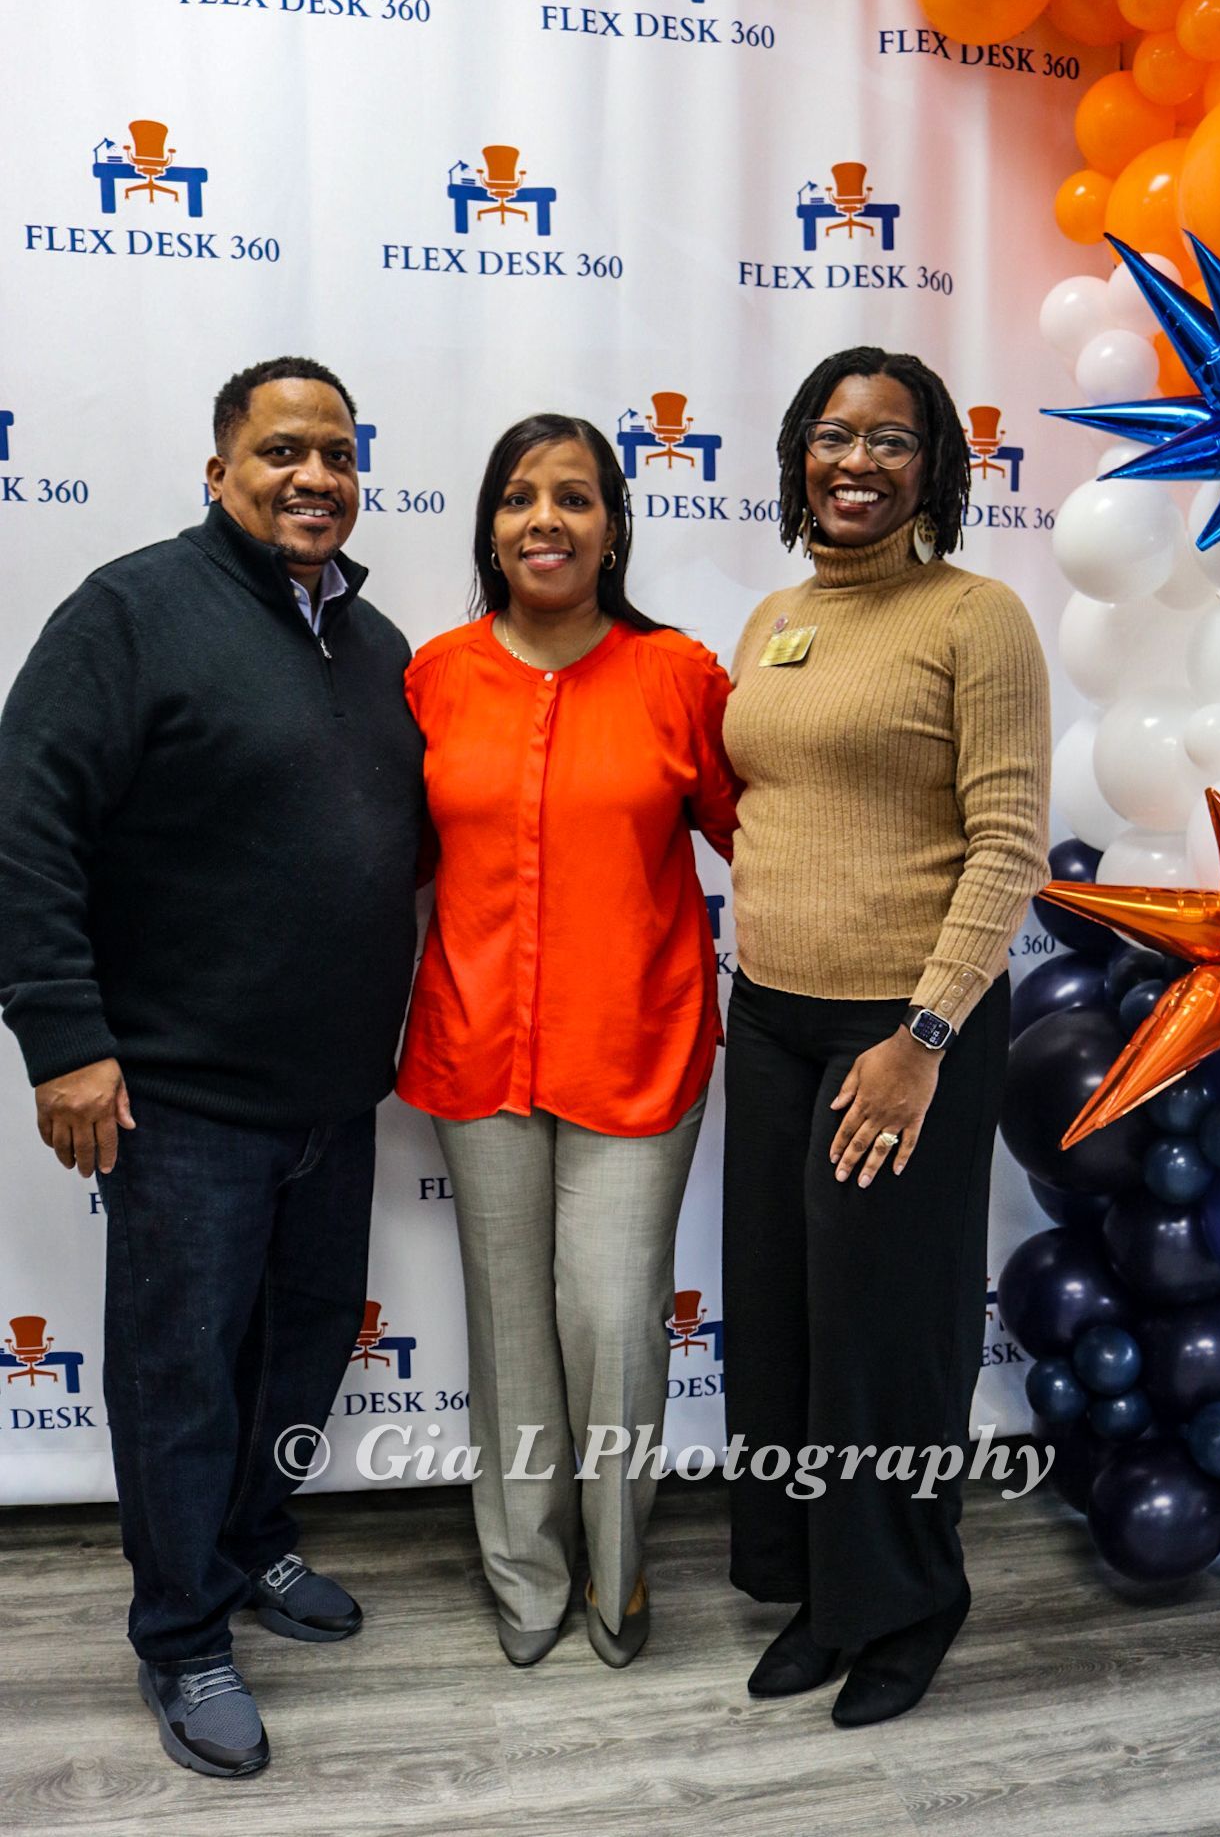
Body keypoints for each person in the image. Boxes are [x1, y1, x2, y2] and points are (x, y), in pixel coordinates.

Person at [0, 357, 424, 1778]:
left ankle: (253, 1546)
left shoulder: (372, 642)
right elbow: (27, 824)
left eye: (337, 454)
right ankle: (181, 1634)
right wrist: (64, 1037)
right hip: (179, 1099)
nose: (313, 476)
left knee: (296, 1354)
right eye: (280, 451)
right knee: (181, 1374)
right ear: (219, 470)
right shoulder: (131, 610)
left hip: (332, 1095)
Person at [721, 348, 1050, 1727]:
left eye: (891, 441)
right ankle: (817, 1585)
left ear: (935, 467)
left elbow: (1007, 841)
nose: (855, 462)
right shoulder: (772, 616)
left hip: (904, 1028)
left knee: (888, 1338)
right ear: (798, 451)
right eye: (832, 435)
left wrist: (919, 1033)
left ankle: (907, 1600)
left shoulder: (974, 618)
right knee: (790, 1329)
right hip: (775, 1019)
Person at [396, 413, 738, 1669]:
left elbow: (756, 830)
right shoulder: (432, 675)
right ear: (489, 526)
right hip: (477, 1047)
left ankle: (617, 1564)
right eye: (519, 497)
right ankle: (524, 1569)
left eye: (575, 497)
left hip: (635, 1047)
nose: (545, 518)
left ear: (612, 527)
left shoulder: (678, 676)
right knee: (508, 1323)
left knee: (609, 1317)